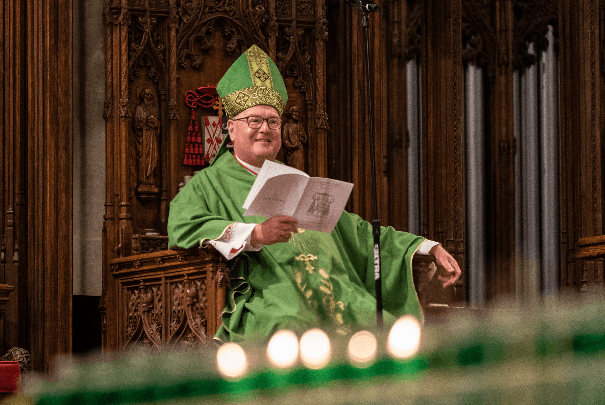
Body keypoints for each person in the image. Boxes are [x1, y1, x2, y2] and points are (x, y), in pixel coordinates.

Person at [168, 45, 460, 343]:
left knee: (376, 323)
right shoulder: (207, 184)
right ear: (230, 128)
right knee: (289, 326)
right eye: (254, 120)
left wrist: (428, 247)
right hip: (274, 294)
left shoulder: (297, 180)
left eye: (272, 121)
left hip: (337, 291)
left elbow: (356, 232)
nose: (264, 129)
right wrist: (255, 233)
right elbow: (182, 226)